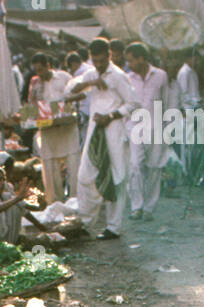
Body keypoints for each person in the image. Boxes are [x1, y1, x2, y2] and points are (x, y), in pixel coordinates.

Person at [69, 39, 138, 241]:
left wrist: (111, 116)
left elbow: (134, 103)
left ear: (109, 56)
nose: (98, 64)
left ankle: (113, 227)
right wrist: (91, 82)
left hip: (114, 130)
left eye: (101, 60)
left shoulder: (118, 76)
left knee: (116, 178)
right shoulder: (91, 73)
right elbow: (70, 90)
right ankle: (86, 221)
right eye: (95, 61)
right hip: (93, 131)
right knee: (85, 176)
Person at [124, 42, 169, 218]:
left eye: (131, 61)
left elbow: (166, 102)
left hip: (156, 126)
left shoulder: (161, 76)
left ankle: (149, 207)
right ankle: (137, 206)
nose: (129, 64)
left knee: (154, 168)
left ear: (141, 59)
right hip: (135, 127)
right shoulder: (128, 79)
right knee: (134, 165)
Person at [29, 51, 79, 203]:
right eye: (37, 71)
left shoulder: (63, 77)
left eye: (42, 70)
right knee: (49, 168)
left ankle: (75, 200)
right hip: (48, 130)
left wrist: (65, 106)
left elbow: (76, 96)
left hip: (67, 127)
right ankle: (54, 202)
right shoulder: (35, 83)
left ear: (48, 66)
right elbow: (32, 107)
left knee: (73, 164)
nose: (40, 74)